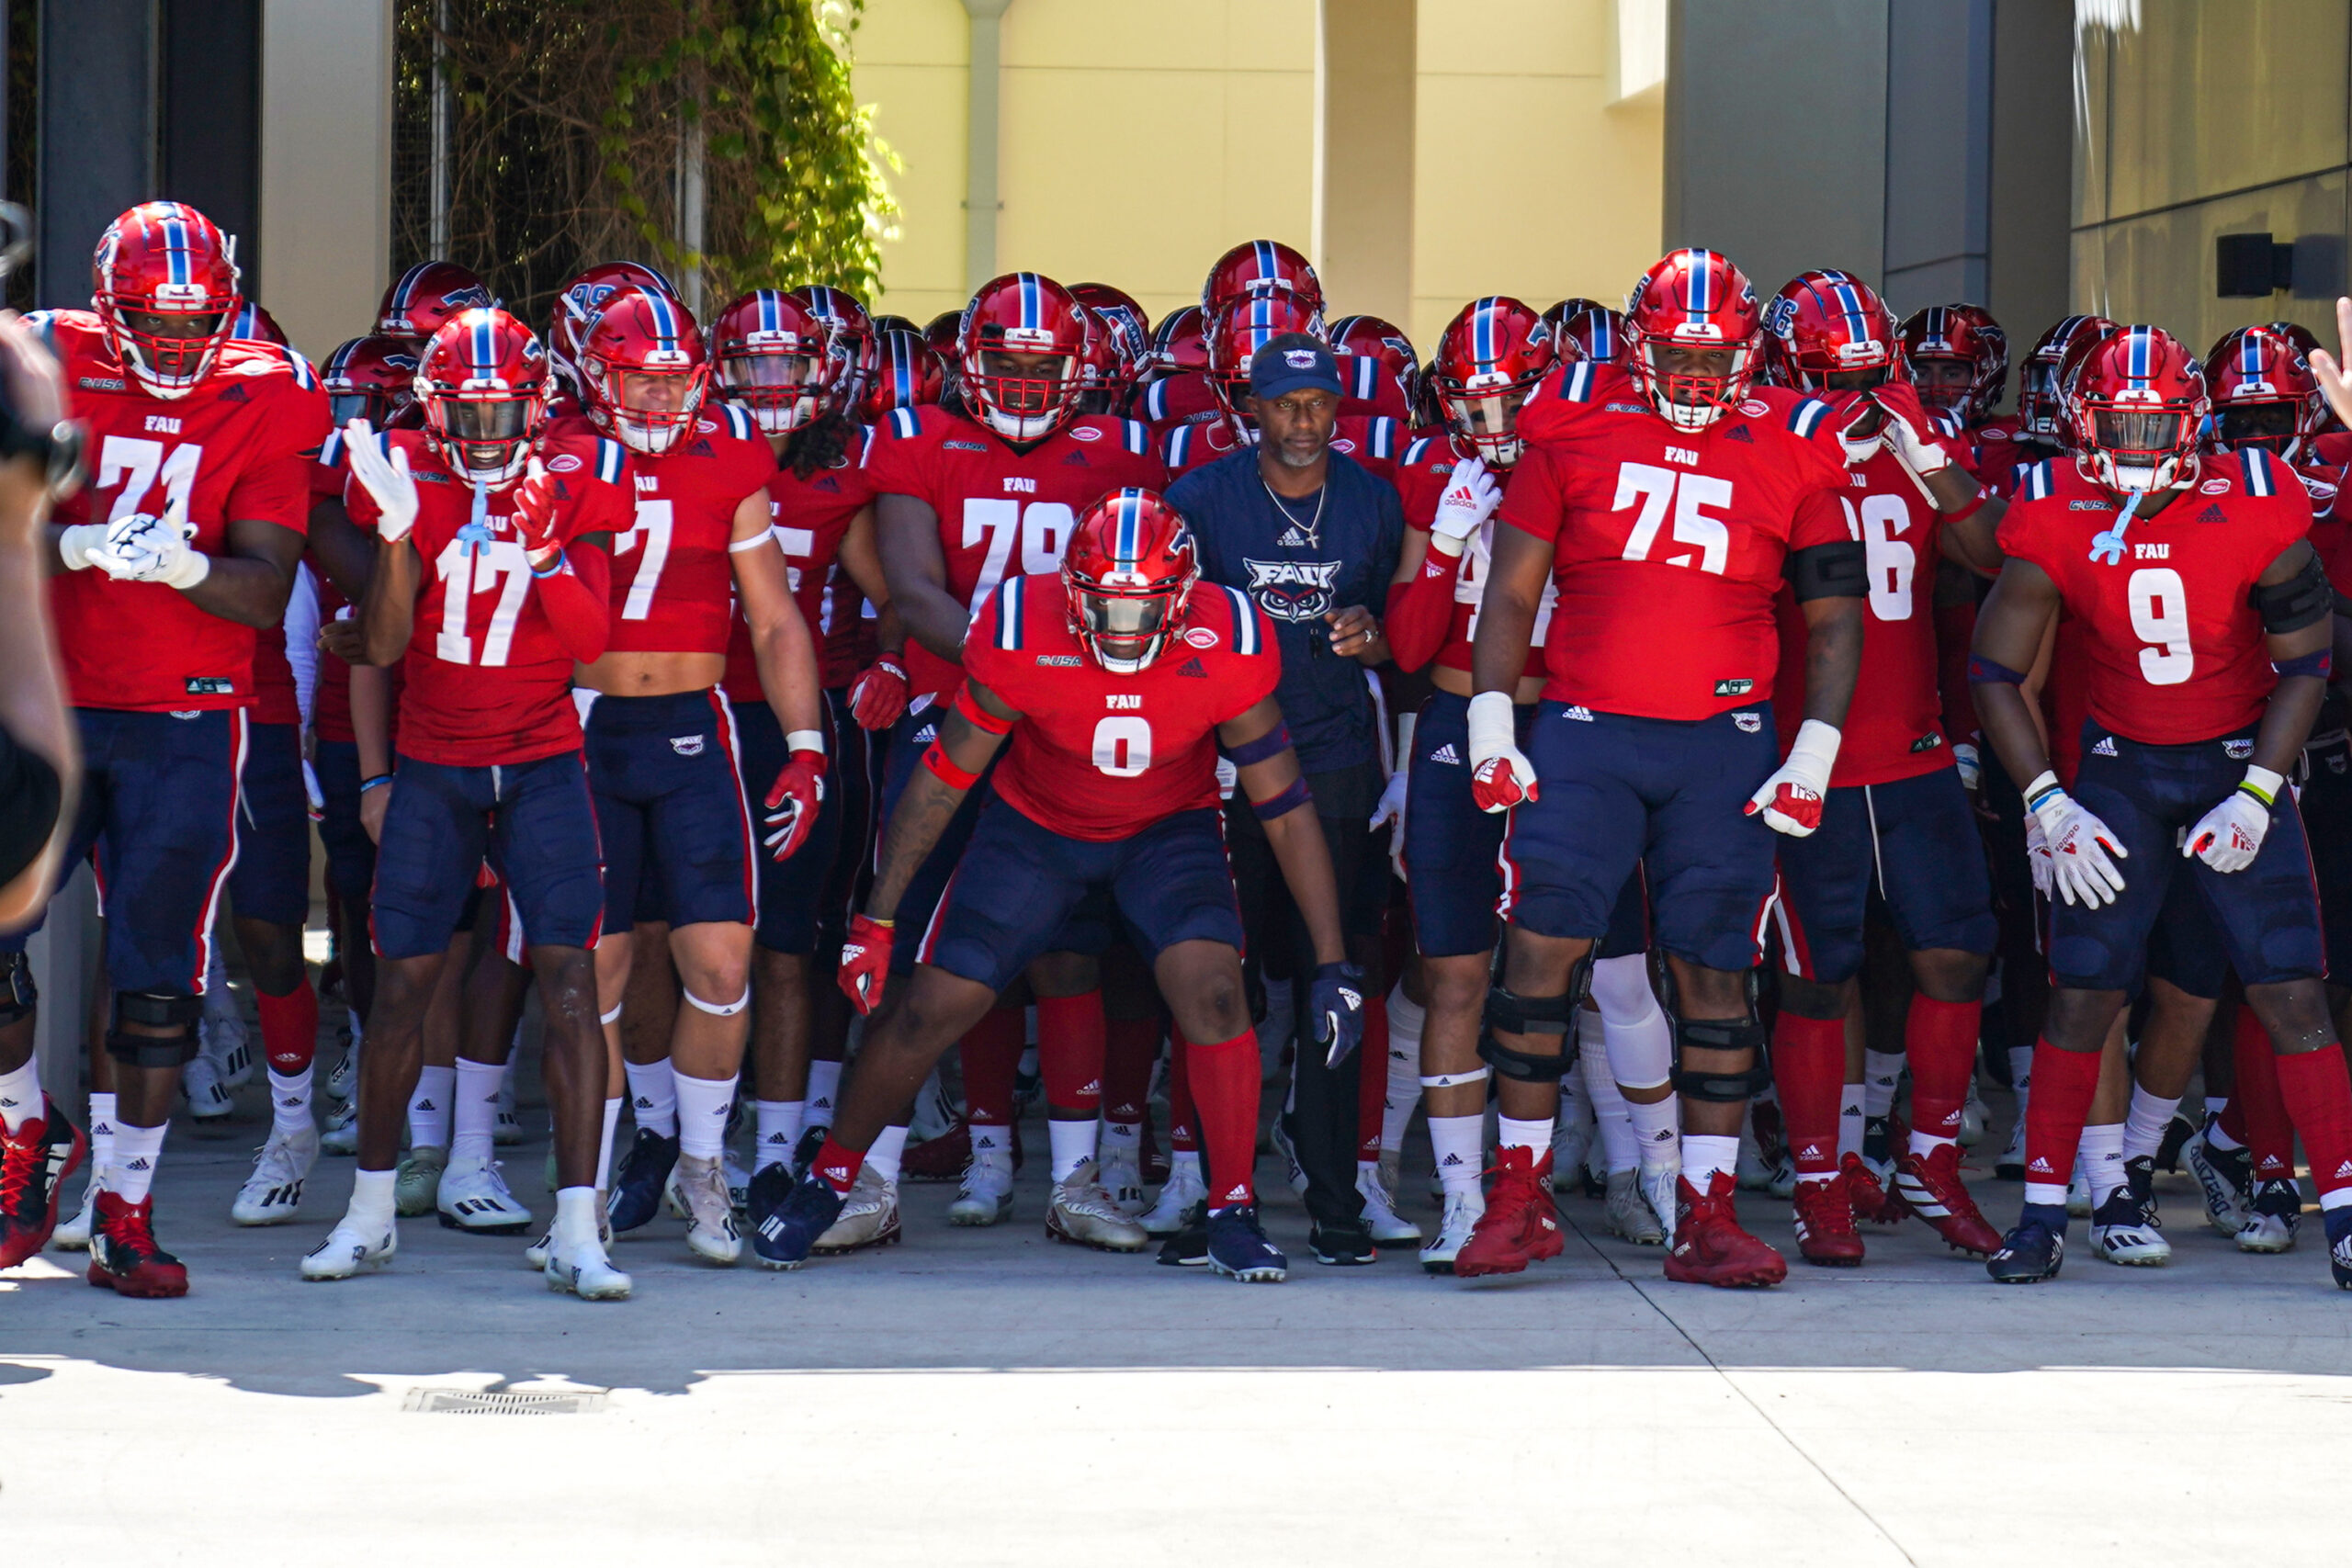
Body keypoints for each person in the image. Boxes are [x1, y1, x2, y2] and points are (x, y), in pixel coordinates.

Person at [752, 489, 1364, 1280]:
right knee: (933, 1003)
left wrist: (1331, 961)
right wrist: (877, 919)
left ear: (1182, 600)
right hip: (1034, 827)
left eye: (1142, 608)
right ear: (1071, 592)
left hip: (1164, 830)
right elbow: (943, 778)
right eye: (1104, 607)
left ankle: (1232, 1206)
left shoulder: (1232, 635)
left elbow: (1283, 804)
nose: (1121, 628)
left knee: (1213, 990)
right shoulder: (1021, 625)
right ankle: (831, 1176)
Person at [1464, 247, 1871, 1289]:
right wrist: (1491, 723)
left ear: (1748, 354)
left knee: (1712, 970)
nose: (1694, 380)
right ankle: (1518, 1195)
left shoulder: (1795, 448)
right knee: (1539, 953)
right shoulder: (1569, 428)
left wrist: (1814, 749)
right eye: (1677, 357)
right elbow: (1511, 593)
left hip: (1720, 744)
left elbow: (1833, 620)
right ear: (1638, 350)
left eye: (1715, 358)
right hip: (1588, 729)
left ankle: (1708, 1211)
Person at [1970, 322, 2352, 1288]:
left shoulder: (2256, 498)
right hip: (2121, 769)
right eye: (2119, 429)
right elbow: (1992, 670)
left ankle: (2343, 1214)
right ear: (2085, 424)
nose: (2137, 453)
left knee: (2289, 991)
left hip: (2232, 762)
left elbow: (2307, 663)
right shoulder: (2053, 505)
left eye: (2157, 431)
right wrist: (2047, 802)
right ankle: (2047, 1212)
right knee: (2084, 988)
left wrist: (2262, 790)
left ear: (2196, 428)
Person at [0, 202, 329, 1294]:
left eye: (199, 326)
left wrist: (182, 568)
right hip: (47, 699)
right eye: (157, 323)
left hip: (187, 714)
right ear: (108, 306)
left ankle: (124, 1212)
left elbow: (266, 584)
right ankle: (27, 1133)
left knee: (155, 981)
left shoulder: (270, 391)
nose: (180, 347)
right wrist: (70, 539)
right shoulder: (47, 353)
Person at [300, 306, 638, 1300]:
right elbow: (389, 643)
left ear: (538, 408)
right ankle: (366, 1213)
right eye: (470, 415)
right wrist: (398, 538)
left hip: (540, 757)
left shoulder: (583, 472)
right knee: (400, 987)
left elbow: (589, 637)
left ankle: (578, 1227)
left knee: (570, 983)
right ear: (436, 411)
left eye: (505, 414)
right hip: (434, 763)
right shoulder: (399, 465)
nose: (488, 436)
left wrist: (542, 551)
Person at [859, 270, 1163, 1251]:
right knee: (926, 950)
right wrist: (1019, 670)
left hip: (1058, 728)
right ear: (969, 366)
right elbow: (911, 590)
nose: (1026, 388)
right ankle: (941, 1154)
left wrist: (1046, 692)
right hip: (958, 713)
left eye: (1044, 369)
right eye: (1007, 366)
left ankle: (1073, 1176)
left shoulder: (1116, 453)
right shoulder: (919, 440)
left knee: (1066, 947)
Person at [564, 286, 827, 1265]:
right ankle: (582, 1186)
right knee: (596, 970)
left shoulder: (730, 456)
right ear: (600, 378)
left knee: (720, 965)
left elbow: (773, 620)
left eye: (675, 385)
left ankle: (704, 1167)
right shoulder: (555, 450)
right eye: (640, 381)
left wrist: (804, 747)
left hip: (694, 724)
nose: (659, 403)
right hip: (582, 723)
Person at [1756, 271, 2007, 1265]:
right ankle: (1819, 1175)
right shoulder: (1767, 444)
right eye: (1832, 377)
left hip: (1910, 751)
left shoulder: (1912, 441)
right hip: (1803, 755)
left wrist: (1928, 456)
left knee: (1955, 953)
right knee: (1818, 977)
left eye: (1866, 376)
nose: (1855, 396)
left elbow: (1990, 552)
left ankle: (1929, 1158)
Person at [1164, 332, 1400, 1265]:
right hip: (1224, 767)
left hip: (1335, 764)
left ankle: (1337, 1188)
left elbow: (1398, 633)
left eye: (1318, 405)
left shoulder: (1373, 501)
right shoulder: (1200, 501)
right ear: (1250, 410)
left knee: (1331, 981)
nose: (1303, 423)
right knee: (1217, 983)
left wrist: (1371, 636)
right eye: (1284, 405)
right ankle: (1213, 1185)